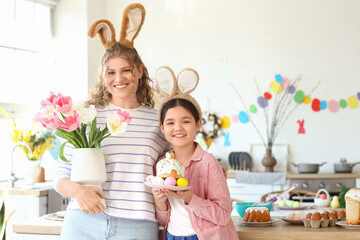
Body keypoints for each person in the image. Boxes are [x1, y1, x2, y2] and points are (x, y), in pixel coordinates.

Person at [53, 4, 170, 239]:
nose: (118, 79)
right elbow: (60, 173)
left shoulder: (158, 120)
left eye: (126, 70)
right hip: (83, 220)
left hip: (137, 224)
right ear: (103, 76)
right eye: (110, 72)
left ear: (139, 71)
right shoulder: (86, 116)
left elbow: (174, 168)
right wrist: (78, 192)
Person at [152, 67, 238, 240]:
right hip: (171, 236)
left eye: (185, 121)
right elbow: (163, 220)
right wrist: (160, 202)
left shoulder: (208, 163)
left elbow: (223, 215)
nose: (177, 128)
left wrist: (190, 197)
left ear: (198, 124)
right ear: (162, 128)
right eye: (170, 123)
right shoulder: (162, 164)